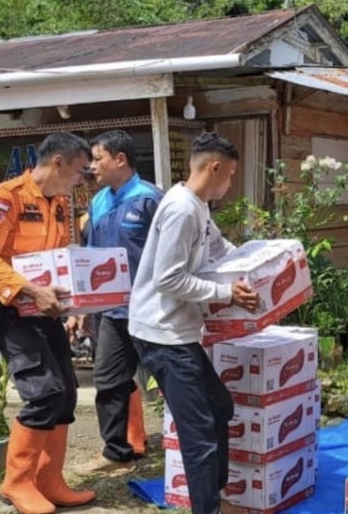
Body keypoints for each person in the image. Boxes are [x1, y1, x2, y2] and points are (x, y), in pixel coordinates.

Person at [128, 132, 260, 514]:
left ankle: (214, 496)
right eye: (231, 175)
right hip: (162, 334)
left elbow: (222, 249)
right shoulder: (182, 210)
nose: (231, 184)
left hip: (179, 332)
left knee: (219, 406)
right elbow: (167, 279)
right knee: (199, 432)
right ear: (214, 168)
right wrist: (227, 294)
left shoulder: (199, 206)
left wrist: (260, 265)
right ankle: (208, 508)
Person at [0, 132, 95, 514]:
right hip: (6, 307)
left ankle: (48, 480)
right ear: (58, 162)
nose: (80, 180)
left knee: (67, 392)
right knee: (43, 392)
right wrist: (30, 290)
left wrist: (70, 304)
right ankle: (16, 483)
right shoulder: (7, 197)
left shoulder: (57, 204)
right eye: (78, 171)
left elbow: (52, 259)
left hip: (43, 308)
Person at [72, 130, 161, 474]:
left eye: (98, 159)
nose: (92, 166)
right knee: (108, 379)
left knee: (170, 380)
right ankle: (116, 451)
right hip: (112, 312)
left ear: (120, 160)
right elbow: (92, 256)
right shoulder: (97, 202)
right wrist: (84, 309)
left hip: (152, 310)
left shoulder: (151, 199)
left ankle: (186, 446)